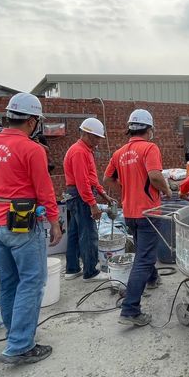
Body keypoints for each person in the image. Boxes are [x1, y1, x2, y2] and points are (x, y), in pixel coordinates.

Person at [0, 92, 62, 364]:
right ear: (32, 121)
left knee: (9, 281)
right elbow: (44, 189)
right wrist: (54, 221)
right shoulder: (31, 149)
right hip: (21, 224)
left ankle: (14, 334)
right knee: (31, 281)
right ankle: (20, 346)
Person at [104, 109, 172, 327]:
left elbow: (107, 178)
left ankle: (152, 278)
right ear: (149, 129)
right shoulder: (150, 148)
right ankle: (130, 309)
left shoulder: (120, 152)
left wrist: (125, 190)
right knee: (144, 258)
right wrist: (168, 191)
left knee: (144, 250)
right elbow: (154, 176)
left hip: (130, 212)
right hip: (148, 212)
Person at [63, 118, 116, 282]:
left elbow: (92, 179)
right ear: (86, 134)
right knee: (88, 234)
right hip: (80, 196)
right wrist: (93, 204)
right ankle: (90, 272)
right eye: (96, 137)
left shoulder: (85, 150)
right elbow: (83, 182)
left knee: (74, 233)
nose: (99, 141)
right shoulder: (79, 152)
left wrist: (104, 195)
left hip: (75, 195)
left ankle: (72, 269)